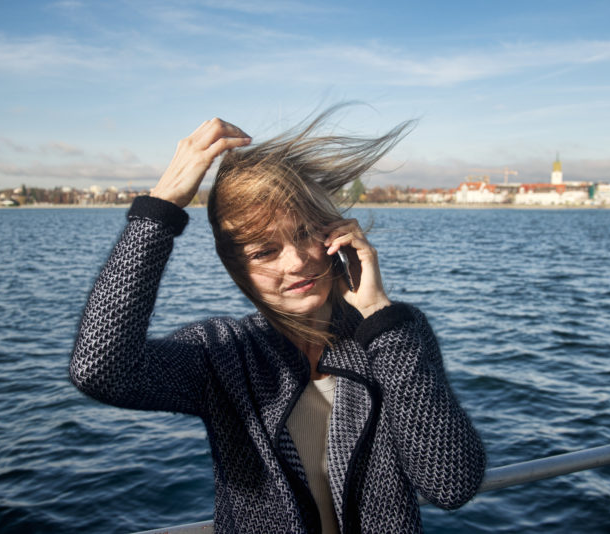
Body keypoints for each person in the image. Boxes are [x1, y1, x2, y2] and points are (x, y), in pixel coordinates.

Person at [70, 108, 486, 534]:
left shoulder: (392, 335)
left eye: (308, 232)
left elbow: (452, 485)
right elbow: (101, 370)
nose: (298, 261)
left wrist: (378, 312)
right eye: (264, 252)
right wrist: (161, 208)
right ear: (238, 268)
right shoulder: (223, 353)